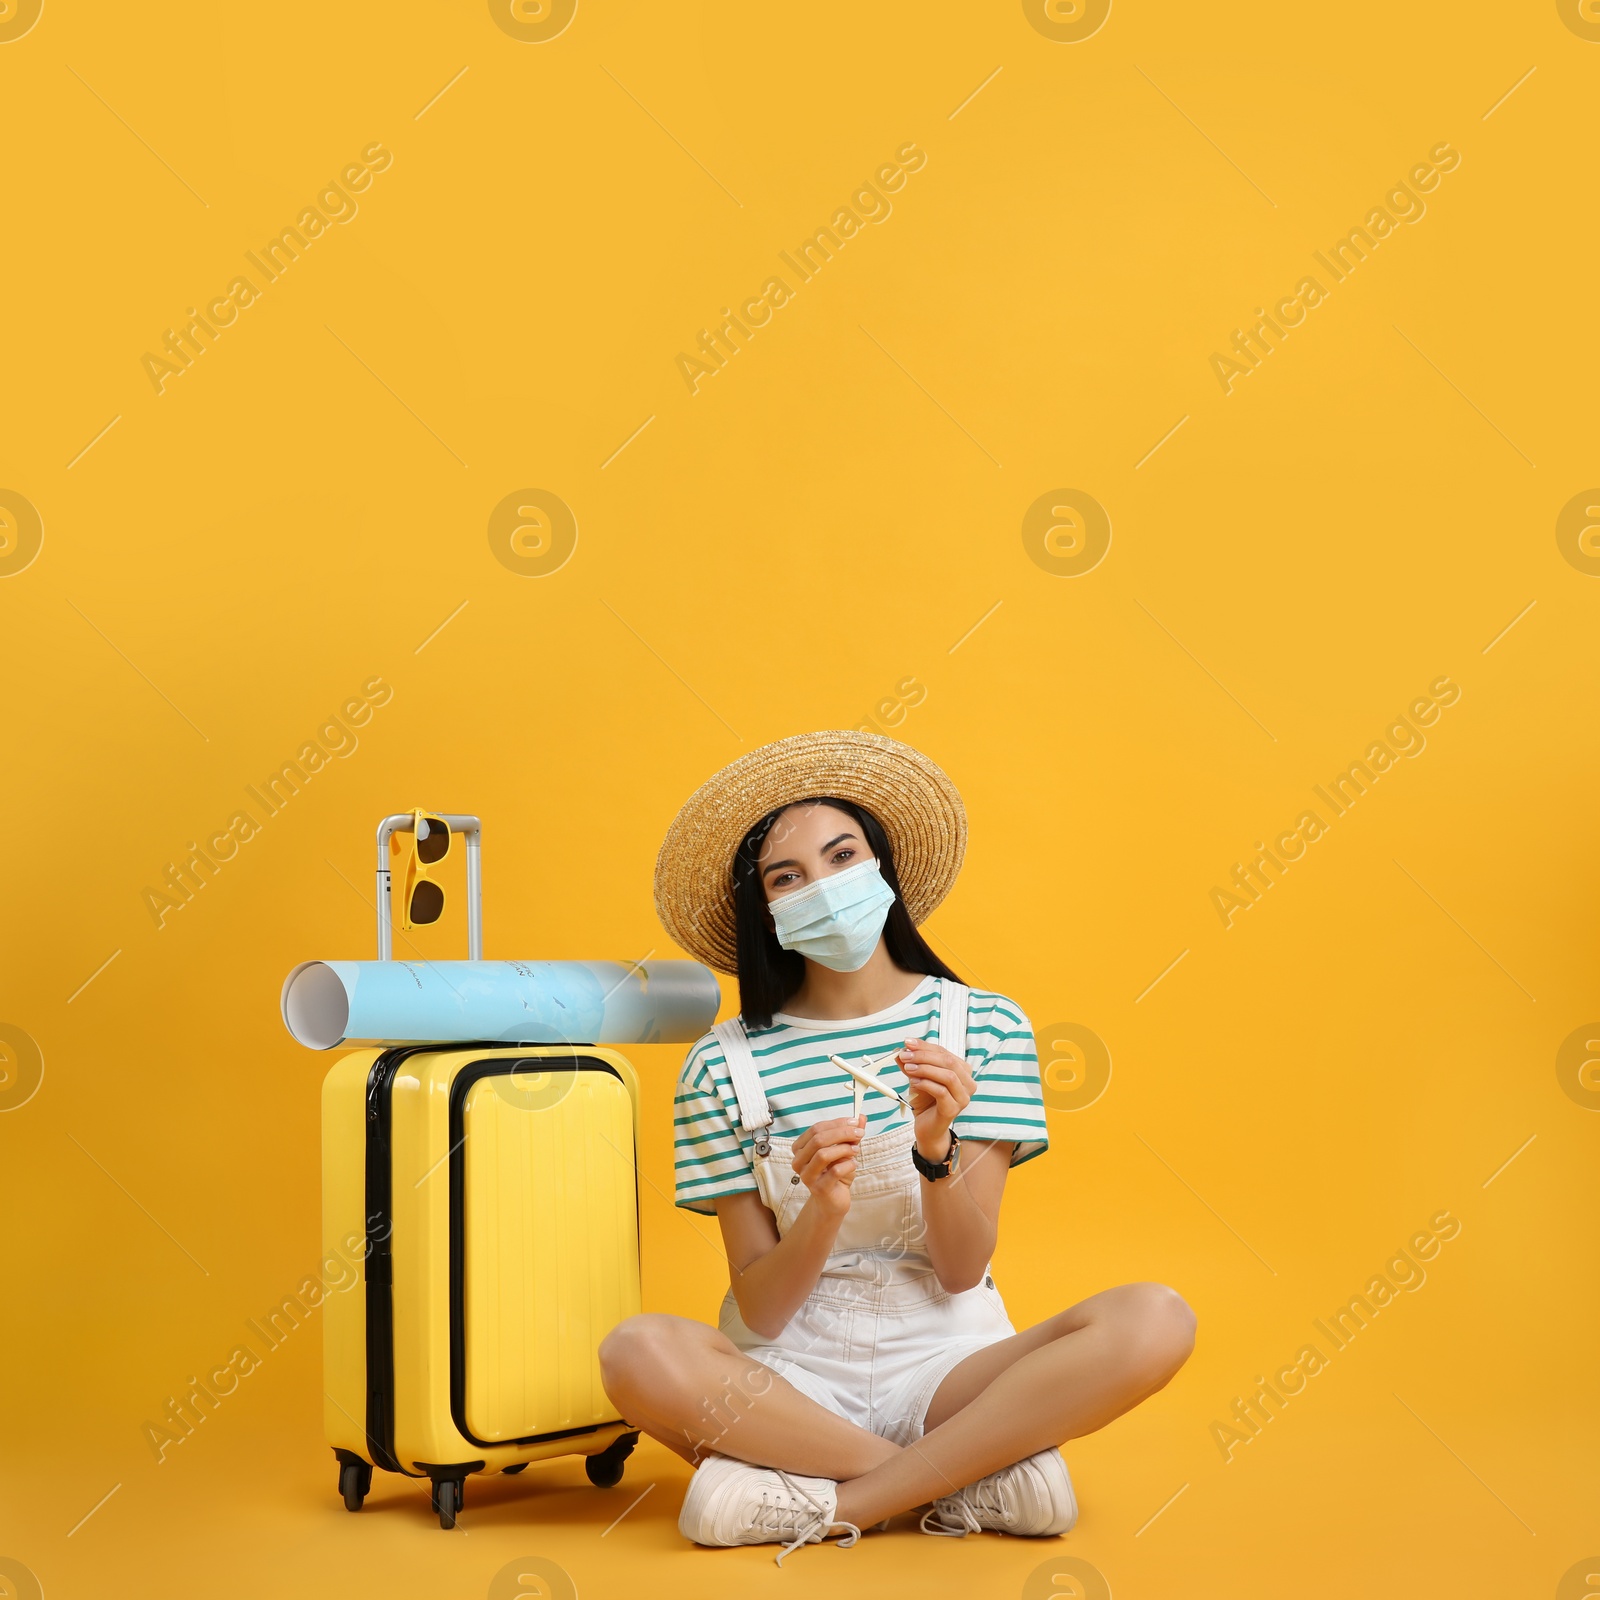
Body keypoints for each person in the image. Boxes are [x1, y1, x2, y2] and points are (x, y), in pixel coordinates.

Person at [599, 731, 1195, 1564]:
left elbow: (960, 1270)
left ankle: (833, 1500)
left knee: (1154, 1318)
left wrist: (935, 1148)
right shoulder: (721, 1063)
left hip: (949, 1362)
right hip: (788, 1374)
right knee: (635, 1353)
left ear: (882, 869)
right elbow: (762, 1309)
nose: (824, 887)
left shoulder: (981, 1026)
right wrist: (821, 1212)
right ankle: (964, 1483)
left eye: (843, 857)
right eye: (788, 877)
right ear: (766, 912)